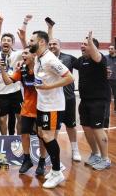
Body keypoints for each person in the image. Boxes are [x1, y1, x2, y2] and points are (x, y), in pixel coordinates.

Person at [29, 30, 73, 188]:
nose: (29, 43)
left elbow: (69, 78)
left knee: (48, 136)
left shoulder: (50, 59)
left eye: (32, 40)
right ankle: (56, 168)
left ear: (41, 42)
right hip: (42, 104)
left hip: (53, 105)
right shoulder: (39, 57)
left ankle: (57, 170)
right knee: (42, 134)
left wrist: (48, 86)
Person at [1, 46, 47, 175]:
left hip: (42, 108)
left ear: (34, 55)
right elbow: (7, 82)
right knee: (24, 133)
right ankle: (27, 159)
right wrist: (2, 69)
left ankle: (42, 162)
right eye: (23, 54)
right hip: (27, 108)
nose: (23, 56)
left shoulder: (41, 67)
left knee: (42, 136)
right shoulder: (22, 69)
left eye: (26, 53)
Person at [74, 32, 111, 170]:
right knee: (86, 128)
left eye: (85, 44)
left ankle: (105, 158)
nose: (82, 46)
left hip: (98, 100)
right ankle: (95, 154)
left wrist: (90, 41)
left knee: (97, 128)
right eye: (82, 44)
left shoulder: (100, 59)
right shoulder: (81, 60)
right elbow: (65, 61)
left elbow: (96, 55)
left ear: (93, 47)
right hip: (84, 100)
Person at [48, 37, 82, 161]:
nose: (52, 46)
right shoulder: (46, 60)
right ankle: (53, 154)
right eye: (50, 44)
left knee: (71, 126)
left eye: (54, 44)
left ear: (60, 45)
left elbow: (84, 67)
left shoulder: (69, 58)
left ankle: (75, 150)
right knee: (54, 128)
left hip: (68, 99)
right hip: (53, 100)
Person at [0, 13, 27, 135]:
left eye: (9, 40)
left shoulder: (17, 54)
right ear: (1, 43)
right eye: (4, 40)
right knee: (2, 119)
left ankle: (17, 141)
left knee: (20, 118)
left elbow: (28, 50)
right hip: (1, 92)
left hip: (15, 92)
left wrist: (23, 35)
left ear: (12, 43)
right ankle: (4, 141)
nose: (6, 42)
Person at [105, 45, 116, 112]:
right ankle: (106, 109)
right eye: (109, 48)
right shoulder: (105, 58)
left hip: (115, 80)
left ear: (115, 50)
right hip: (107, 80)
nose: (110, 50)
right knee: (106, 95)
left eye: (111, 49)